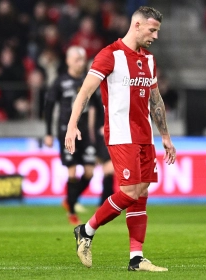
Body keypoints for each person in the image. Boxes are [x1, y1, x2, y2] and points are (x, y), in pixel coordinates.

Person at [65, 6, 176, 272]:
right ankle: (87, 230)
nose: (155, 36)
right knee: (130, 192)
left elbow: (156, 100)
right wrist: (72, 125)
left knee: (142, 192)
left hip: (145, 136)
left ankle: (136, 258)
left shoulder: (148, 60)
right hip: (121, 134)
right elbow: (84, 92)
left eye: (157, 31)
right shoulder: (110, 55)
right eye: (152, 30)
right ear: (136, 25)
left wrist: (165, 135)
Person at [44, 45, 96, 226]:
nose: (80, 63)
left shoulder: (88, 80)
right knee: (72, 171)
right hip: (67, 131)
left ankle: (69, 199)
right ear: (68, 61)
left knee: (89, 172)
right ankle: (72, 211)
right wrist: (48, 133)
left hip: (85, 132)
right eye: (77, 60)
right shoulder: (60, 81)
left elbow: (96, 103)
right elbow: (49, 106)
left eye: (82, 59)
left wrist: (98, 127)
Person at [88, 87, 115, 206]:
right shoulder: (95, 91)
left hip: (116, 133)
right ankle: (107, 202)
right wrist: (92, 137)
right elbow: (91, 115)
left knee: (109, 170)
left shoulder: (117, 87)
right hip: (102, 135)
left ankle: (108, 202)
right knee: (108, 169)